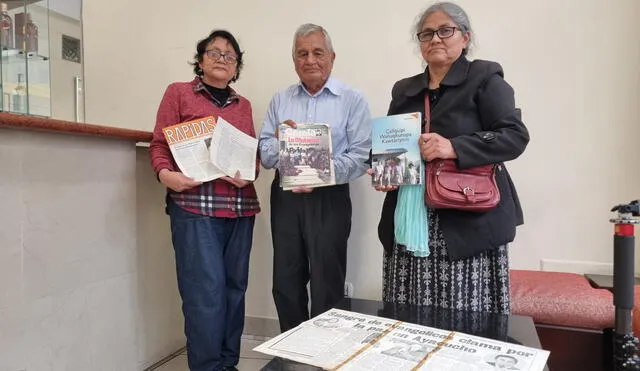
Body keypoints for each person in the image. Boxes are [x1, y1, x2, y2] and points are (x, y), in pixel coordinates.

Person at [374, 2, 529, 314]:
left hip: (465, 220)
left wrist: (453, 147)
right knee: (409, 318)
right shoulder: (405, 90)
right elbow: (392, 144)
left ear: (465, 37)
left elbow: (514, 136)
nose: (435, 39)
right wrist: (382, 170)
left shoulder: (485, 78)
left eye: (446, 30)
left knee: (462, 316)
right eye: (427, 33)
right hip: (410, 219)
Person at [149, 29, 260, 371]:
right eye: (215, 52)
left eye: (230, 55)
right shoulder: (179, 93)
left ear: (237, 66)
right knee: (204, 296)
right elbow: (159, 145)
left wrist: (248, 171)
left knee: (233, 291)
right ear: (200, 60)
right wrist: (166, 175)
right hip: (195, 208)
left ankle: (228, 365)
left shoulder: (244, 105)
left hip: (240, 209)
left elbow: (251, 157)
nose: (222, 59)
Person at [258, 23, 371, 332]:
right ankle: (292, 356)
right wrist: (284, 140)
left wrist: (322, 171)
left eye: (317, 52)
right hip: (286, 197)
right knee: (286, 280)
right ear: (294, 60)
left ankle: (324, 357)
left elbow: (361, 156)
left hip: (329, 197)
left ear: (332, 57)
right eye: (302, 53)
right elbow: (266, 153)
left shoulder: (352, 99)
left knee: (327, 282)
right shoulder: (280, 100)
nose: (310, 60)